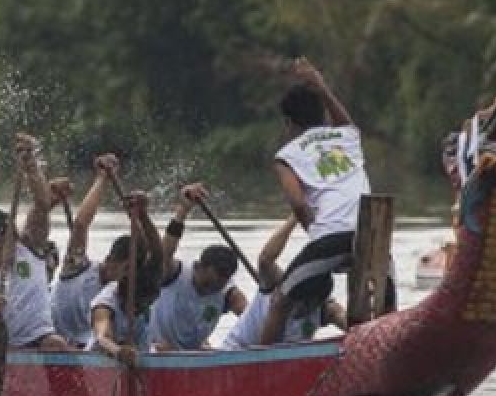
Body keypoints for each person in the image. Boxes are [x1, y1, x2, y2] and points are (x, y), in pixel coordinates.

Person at [260, 57, 391, 344]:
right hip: (374, 237)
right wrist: (321, 86)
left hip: (331, 236)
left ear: (288, 123)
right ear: (323, 115)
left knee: (280, 301)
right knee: (384, 310)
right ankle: (381, 344)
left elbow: (298, 205)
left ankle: (258, 365)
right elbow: (344, 118)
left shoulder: (287, 155)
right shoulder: (348, 136)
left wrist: (315, 232)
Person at [0, 134, 71, 350]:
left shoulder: (30, 248)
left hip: (37, 337)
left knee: (57, 344)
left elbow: (41, 205)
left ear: (15, 237)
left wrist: (30, 165)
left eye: (4, 240)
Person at [149, 183, 248, 351]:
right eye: (208, 284)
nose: (212, 290)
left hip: (194, 357)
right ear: (198, 267)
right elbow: (163, 255)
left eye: (219, 286)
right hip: (155, 350)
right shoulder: (175, 274)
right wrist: (183, 211)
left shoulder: (229, 294)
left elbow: (253, 320)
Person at [223, 215, 346, 349]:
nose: (303, 309)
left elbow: (349, 323)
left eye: (310, 305)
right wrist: (295, 217)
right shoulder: (280, 285)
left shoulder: (326, 308)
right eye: (301, 301)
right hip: (237, 351)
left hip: (282, 362)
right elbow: (265, 260)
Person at [49, 154, 132, 347]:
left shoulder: (124, 293)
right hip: (55, 345)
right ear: (110, 260)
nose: (127, 278)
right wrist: (101, 179)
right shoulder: (77, 268)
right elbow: (80, 225)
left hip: (93, 350)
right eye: (125, 269)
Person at [90, 192, 164, 366]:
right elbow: (103, 337)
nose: (139, 310)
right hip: (102, 365)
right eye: (137, 306)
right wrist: (119, 351)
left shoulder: (145, 286)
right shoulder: (105, 303)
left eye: (144, 306)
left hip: (139, 359)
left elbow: (157, 253)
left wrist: (143, 216)